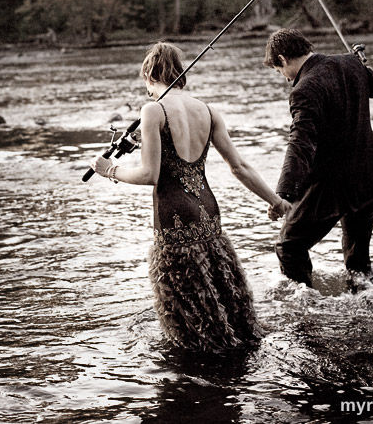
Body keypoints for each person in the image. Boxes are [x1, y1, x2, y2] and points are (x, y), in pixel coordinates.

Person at [91, 42, 291, 352]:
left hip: (174, 220)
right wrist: (274, 201)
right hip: (209, 214)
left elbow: (150, 175)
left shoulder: (153, 110)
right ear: (180, 73)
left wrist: (110, 171)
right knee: (227, 296)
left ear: (148, 74)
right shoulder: (209, 111)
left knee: (188, 323)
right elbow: (239, 167)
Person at [264, 29, 373, 290]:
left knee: (289, 246)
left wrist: (284, 195)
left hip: (332, 184)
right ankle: (365, 310)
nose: (284, 77)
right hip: (369, 177)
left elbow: (300, 143)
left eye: (279, 71)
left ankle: (305, 309)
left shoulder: (305, 89)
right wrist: (360, 68)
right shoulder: (349, 64)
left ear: (282, 58)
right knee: (358, 262)